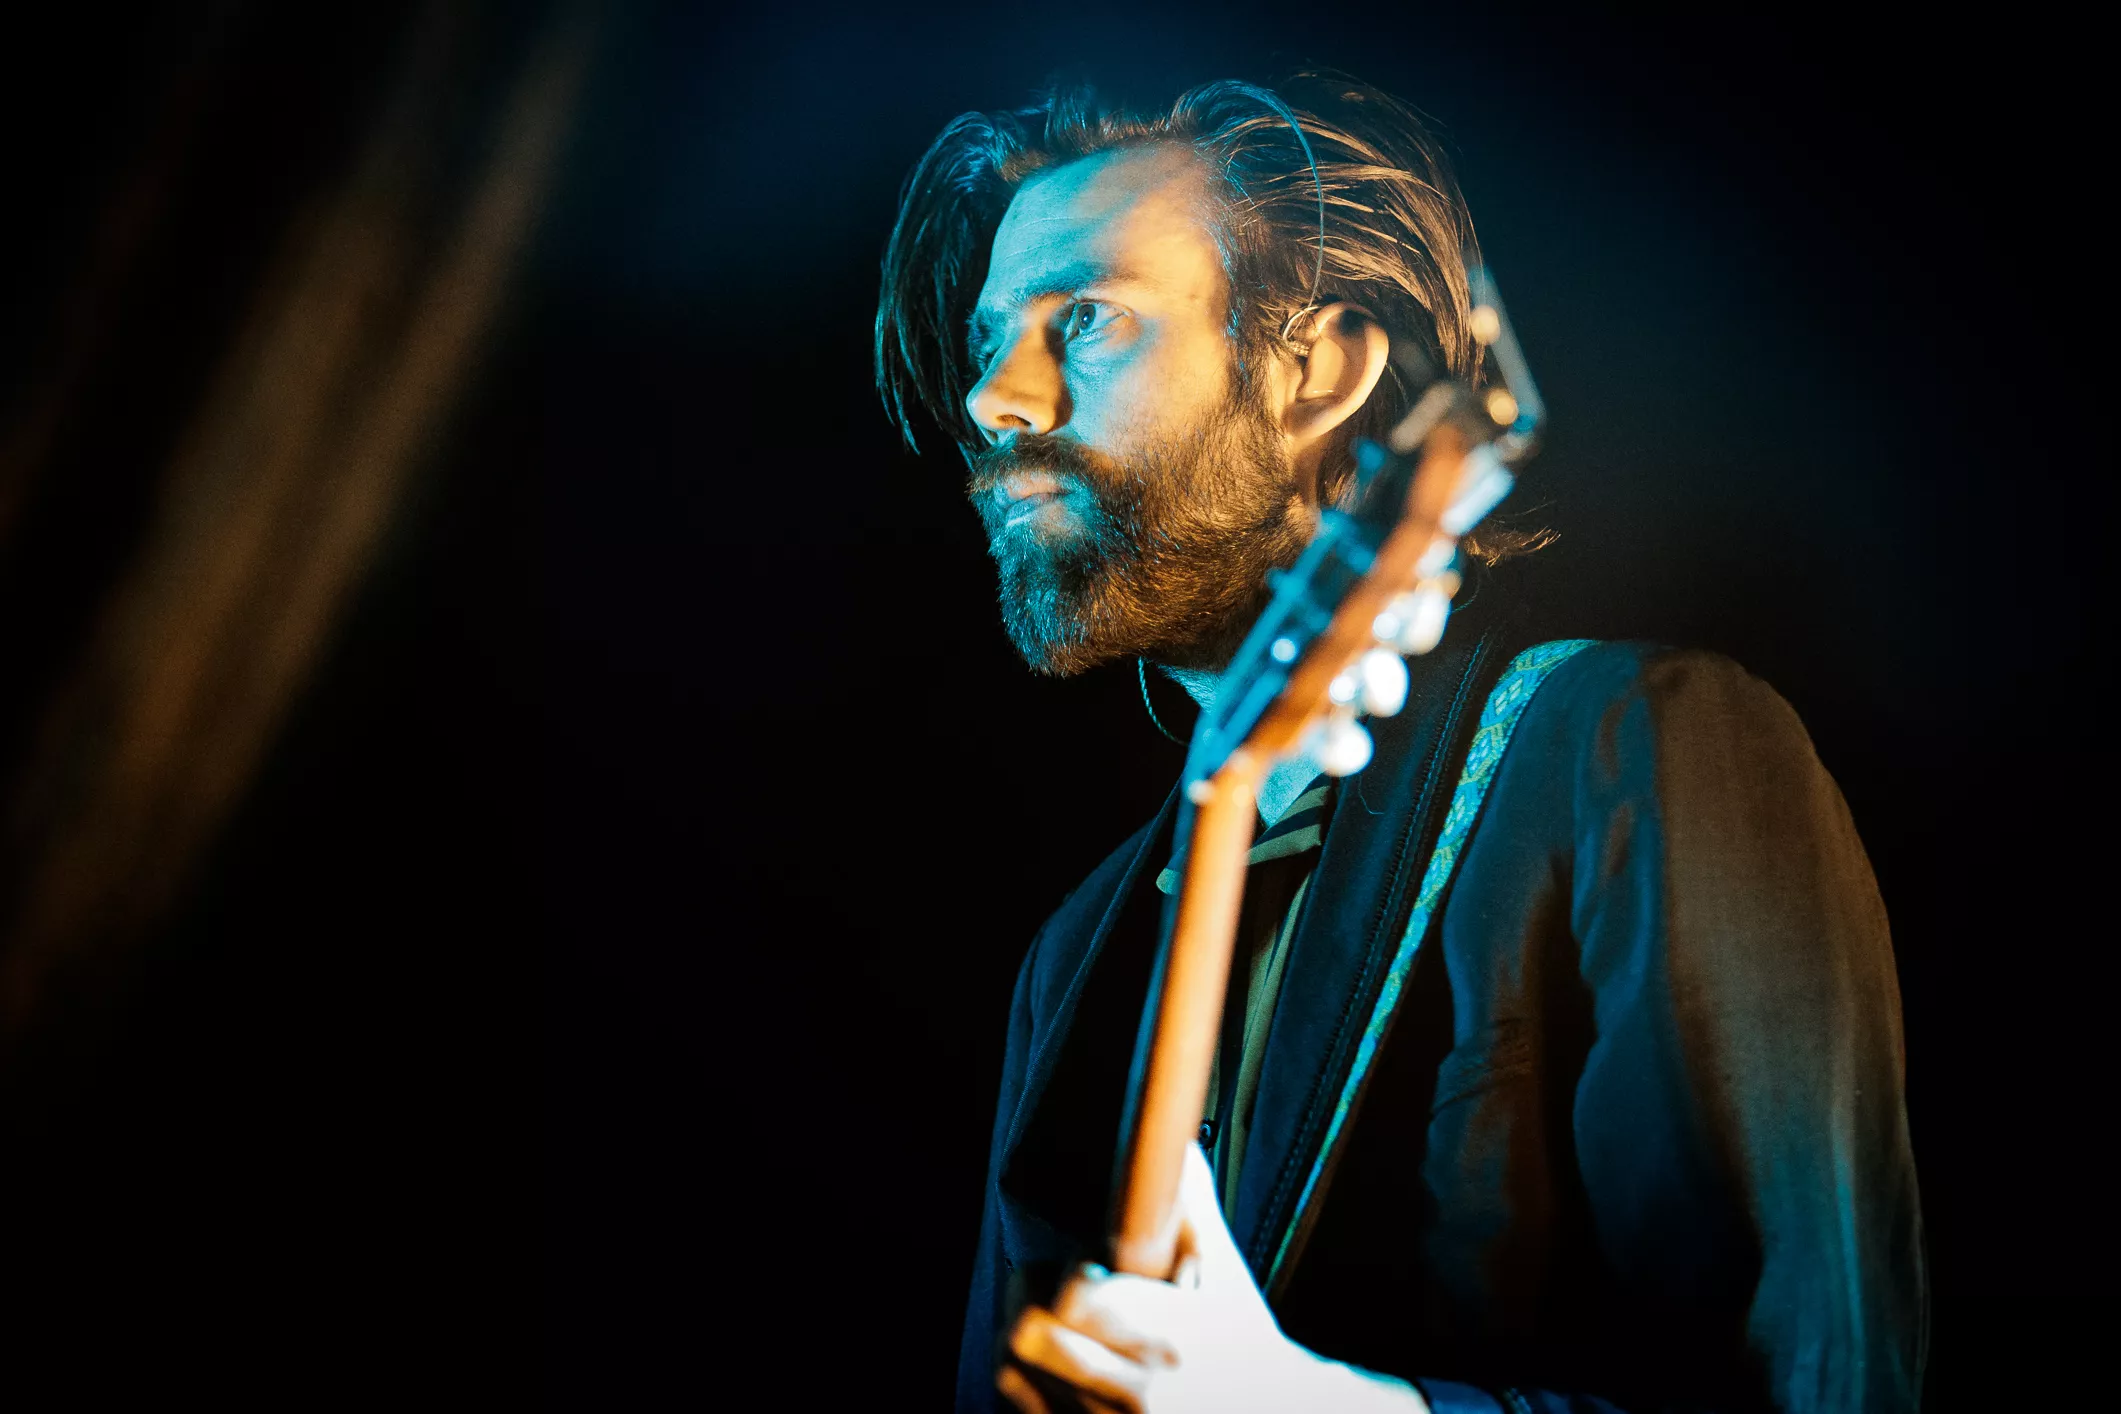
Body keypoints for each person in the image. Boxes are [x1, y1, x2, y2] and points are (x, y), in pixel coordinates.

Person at [875, 75, 1925, 1414]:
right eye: (986, 345)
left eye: (1084, 318)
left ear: (1317, 370)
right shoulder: (1074, 960)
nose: (992, 401)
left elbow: (1815, 1386)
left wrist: (1304, 1404)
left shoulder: (1640, 750)